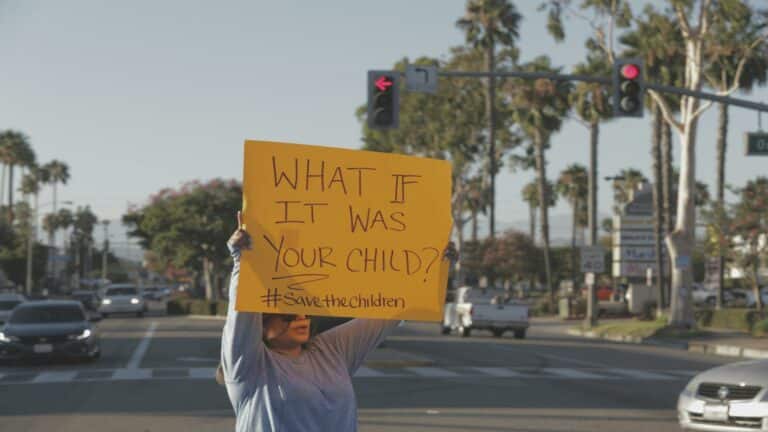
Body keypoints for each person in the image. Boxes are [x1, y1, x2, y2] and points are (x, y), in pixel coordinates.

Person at [220, 212, 454, 431]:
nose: (300, 318)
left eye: (304, 311)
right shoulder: (249, 367)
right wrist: (243, 262)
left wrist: (436, 264)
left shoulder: (331, 350)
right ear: (260, 324)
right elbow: (240, 313)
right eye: (288, 315)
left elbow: (394, 310)